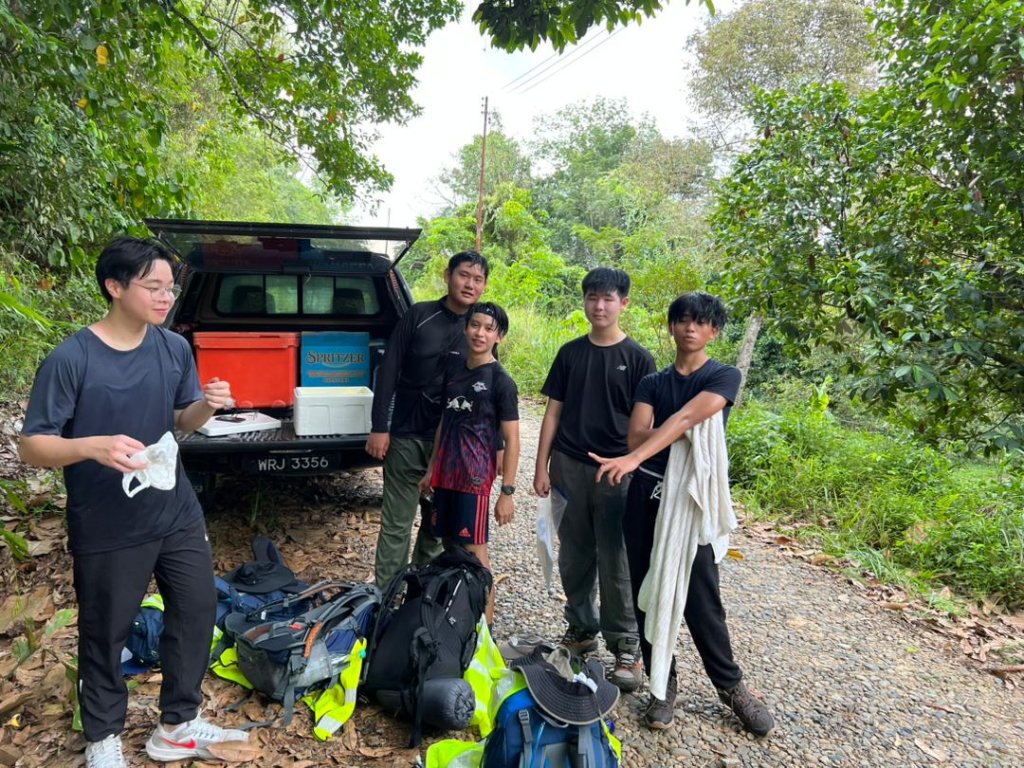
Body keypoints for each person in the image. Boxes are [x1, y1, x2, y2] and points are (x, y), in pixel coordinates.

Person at [19, 237, 248, 767]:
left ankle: (177, 724)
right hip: (107, 519)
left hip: (174, 506)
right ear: (115, 287)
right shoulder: (73, 358)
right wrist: (91, 447)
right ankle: (103, 736)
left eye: (171, 288)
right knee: (106, 628)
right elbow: (33, 446)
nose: (166, 297)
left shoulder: (173, 349)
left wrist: (207, 406)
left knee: (196, 608)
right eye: (153, 287)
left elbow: (181, 418)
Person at [590, 292, 775, 735]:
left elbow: (688, 419)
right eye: (683, 320)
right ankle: (663, 685)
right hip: (645, 496)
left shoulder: (724, 375)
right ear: (672, 326)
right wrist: (662, 440)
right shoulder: (653, 382)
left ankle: (731, 687)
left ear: (714, 331)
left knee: (702, 599)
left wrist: (645, 450)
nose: (691, 328)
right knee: (647, 592)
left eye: (701, 322)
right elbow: (635, 435)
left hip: (690, 501)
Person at [533, 267, 656, 693]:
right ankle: (581, 630)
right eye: (592, 297)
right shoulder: (570, 353)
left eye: (608, 298)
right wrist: (541, 465)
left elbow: (646, 426)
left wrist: (634, 465)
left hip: (618, 471)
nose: (599, 306)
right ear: (584, 300)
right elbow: (553, 412)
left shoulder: (639, 359)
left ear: (624, 303)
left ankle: (625, 645)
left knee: (616, 557)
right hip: (569, 466)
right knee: (574, 553)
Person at [366, 251, 489, 590]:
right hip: (407, 435)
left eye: (478, 279)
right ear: (448, 275)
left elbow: (488, 391)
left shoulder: (480, 329)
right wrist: (379, 427)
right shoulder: (419, 315)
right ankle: (386, 596)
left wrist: (493, 447)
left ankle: (420, 595)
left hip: (452, 445)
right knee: (396, 524)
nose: (470, 284)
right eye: (464, 275)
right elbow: (388, 370)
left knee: (436, 527)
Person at [419, 302, 520, 623]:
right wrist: (432, 468)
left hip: (474, 480)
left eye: (489, 329)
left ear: (499, 336)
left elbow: (513, 439)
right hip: (445, 475)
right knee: (450, 546)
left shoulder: (501, 381)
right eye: (475, 325)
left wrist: (507, 492)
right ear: (465, 328)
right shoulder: (454, 369)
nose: (480, 333)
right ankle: (456, 621)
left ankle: (485, 629)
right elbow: (444, 421)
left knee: (475, 553)